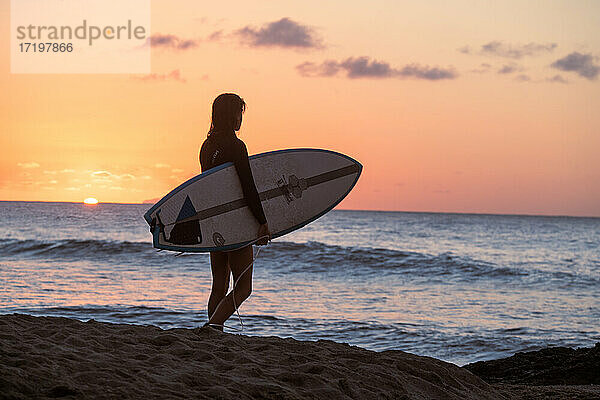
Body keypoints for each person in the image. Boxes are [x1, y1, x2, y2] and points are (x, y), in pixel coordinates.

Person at [199, 93, 270, 330]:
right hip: (235, 224)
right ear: (231, 116)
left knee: (219, 284)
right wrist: (262, 221)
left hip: (214, 221)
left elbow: (207, 188)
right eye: (239, 113)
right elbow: (247, 187)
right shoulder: (237, 146)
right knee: (243, 288)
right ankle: (213, 326)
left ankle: (214, 330)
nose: (241, 119)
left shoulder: (206, 146)